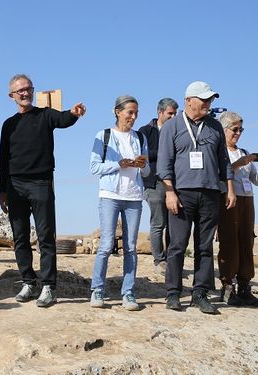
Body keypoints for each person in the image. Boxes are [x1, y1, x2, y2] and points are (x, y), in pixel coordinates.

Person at [0, 74, 86, 308]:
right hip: (15, 186)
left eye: (28, 89)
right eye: (20, 91)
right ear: (12, 96)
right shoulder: (8, 125)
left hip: (41, 184)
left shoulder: (45, 115)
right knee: (20, 238)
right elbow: (2, 159)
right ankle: (28, 281)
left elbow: (64, 119)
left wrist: (74, 113)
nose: (25, 93)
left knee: (46, 237)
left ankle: (48, 286)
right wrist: (2, 190)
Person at [157, 81, 236, 314]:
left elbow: (224, 161)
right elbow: (164, 164)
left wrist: (230, 188)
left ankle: (199, 293)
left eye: (210, 99)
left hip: (210, 192)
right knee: (177, 245)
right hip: (181, 193)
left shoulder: (214, 127)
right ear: (189, 100)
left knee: (204, 246)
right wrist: (170, 192)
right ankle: (173, 293)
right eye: (204, 100)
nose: (208, 103)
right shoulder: (172, 127)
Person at [89, 95, 149, 311]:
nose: (133, 117)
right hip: (110, 196)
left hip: (134, 197)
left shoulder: (141, 138)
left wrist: (143, 165)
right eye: (129, 112)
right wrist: (118, 164)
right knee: (106, 245)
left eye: (136, 113)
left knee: (131, 248)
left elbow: (148, 170)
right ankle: (97, 290)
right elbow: (94, 167)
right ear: (117, 111)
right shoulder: (103, 136)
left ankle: (129, 293)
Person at [217, 111, 258, 307]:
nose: (238, 133)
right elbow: (218, 176)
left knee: (247, 242)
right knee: (230, 242)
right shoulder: (219, 152)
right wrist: (238, 165)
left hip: (247, 202)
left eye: (241, 129)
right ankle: (227, 287)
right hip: (228, 201)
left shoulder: (243, 152)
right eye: (235, 129)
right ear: (223, 130)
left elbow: (255, 181)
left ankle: (245, 287)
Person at [138, 98, 178, 276]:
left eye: (175, 113)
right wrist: (165, 153)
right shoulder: (145, 131)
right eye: (170, 113)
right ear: (160, 112)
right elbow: (142, 156)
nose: (173, 116)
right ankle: (159, 260)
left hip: (175, 183)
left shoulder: (178, 130)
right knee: (158, 223)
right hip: (154, 183)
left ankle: (172, 261)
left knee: (174, 224)